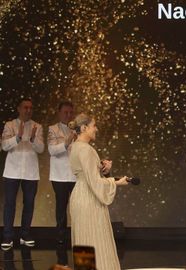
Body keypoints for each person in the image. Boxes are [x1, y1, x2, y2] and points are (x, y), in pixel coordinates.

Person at [68, 113, 128, 270]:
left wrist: (104, 171)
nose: (96, 129)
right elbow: (93, 182)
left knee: (85, 242)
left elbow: (87, 175)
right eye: (94, 125)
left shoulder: (75, 146)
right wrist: (116, 182)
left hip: (79, 195)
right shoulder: (86, 150)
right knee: (94, 240)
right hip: (89, 198)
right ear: (84, 128)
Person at [1, 98, 44, 250]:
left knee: (29, 204)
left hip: (31, 172)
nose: (28, 110)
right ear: (19, 109)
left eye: (30, 108)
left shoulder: (37, 126)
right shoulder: (10, 125)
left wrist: (32, 139)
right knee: (10, 204)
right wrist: (18, 137)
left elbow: (41, 149)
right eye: (25, 107)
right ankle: (7, 237)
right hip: (12, 171)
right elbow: (5, 146)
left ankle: (25, 234)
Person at [48, 101, 77, 244]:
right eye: (65, 112)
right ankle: (61, 235)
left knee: (78, 205)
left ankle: (79, 234)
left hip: (76, 175)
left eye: (71, 112)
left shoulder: (79, 130)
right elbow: (52, 150)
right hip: (59, 175)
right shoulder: (53, 129)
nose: (68, 115)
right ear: (59, 113)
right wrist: (67, 142)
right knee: (61, 206)